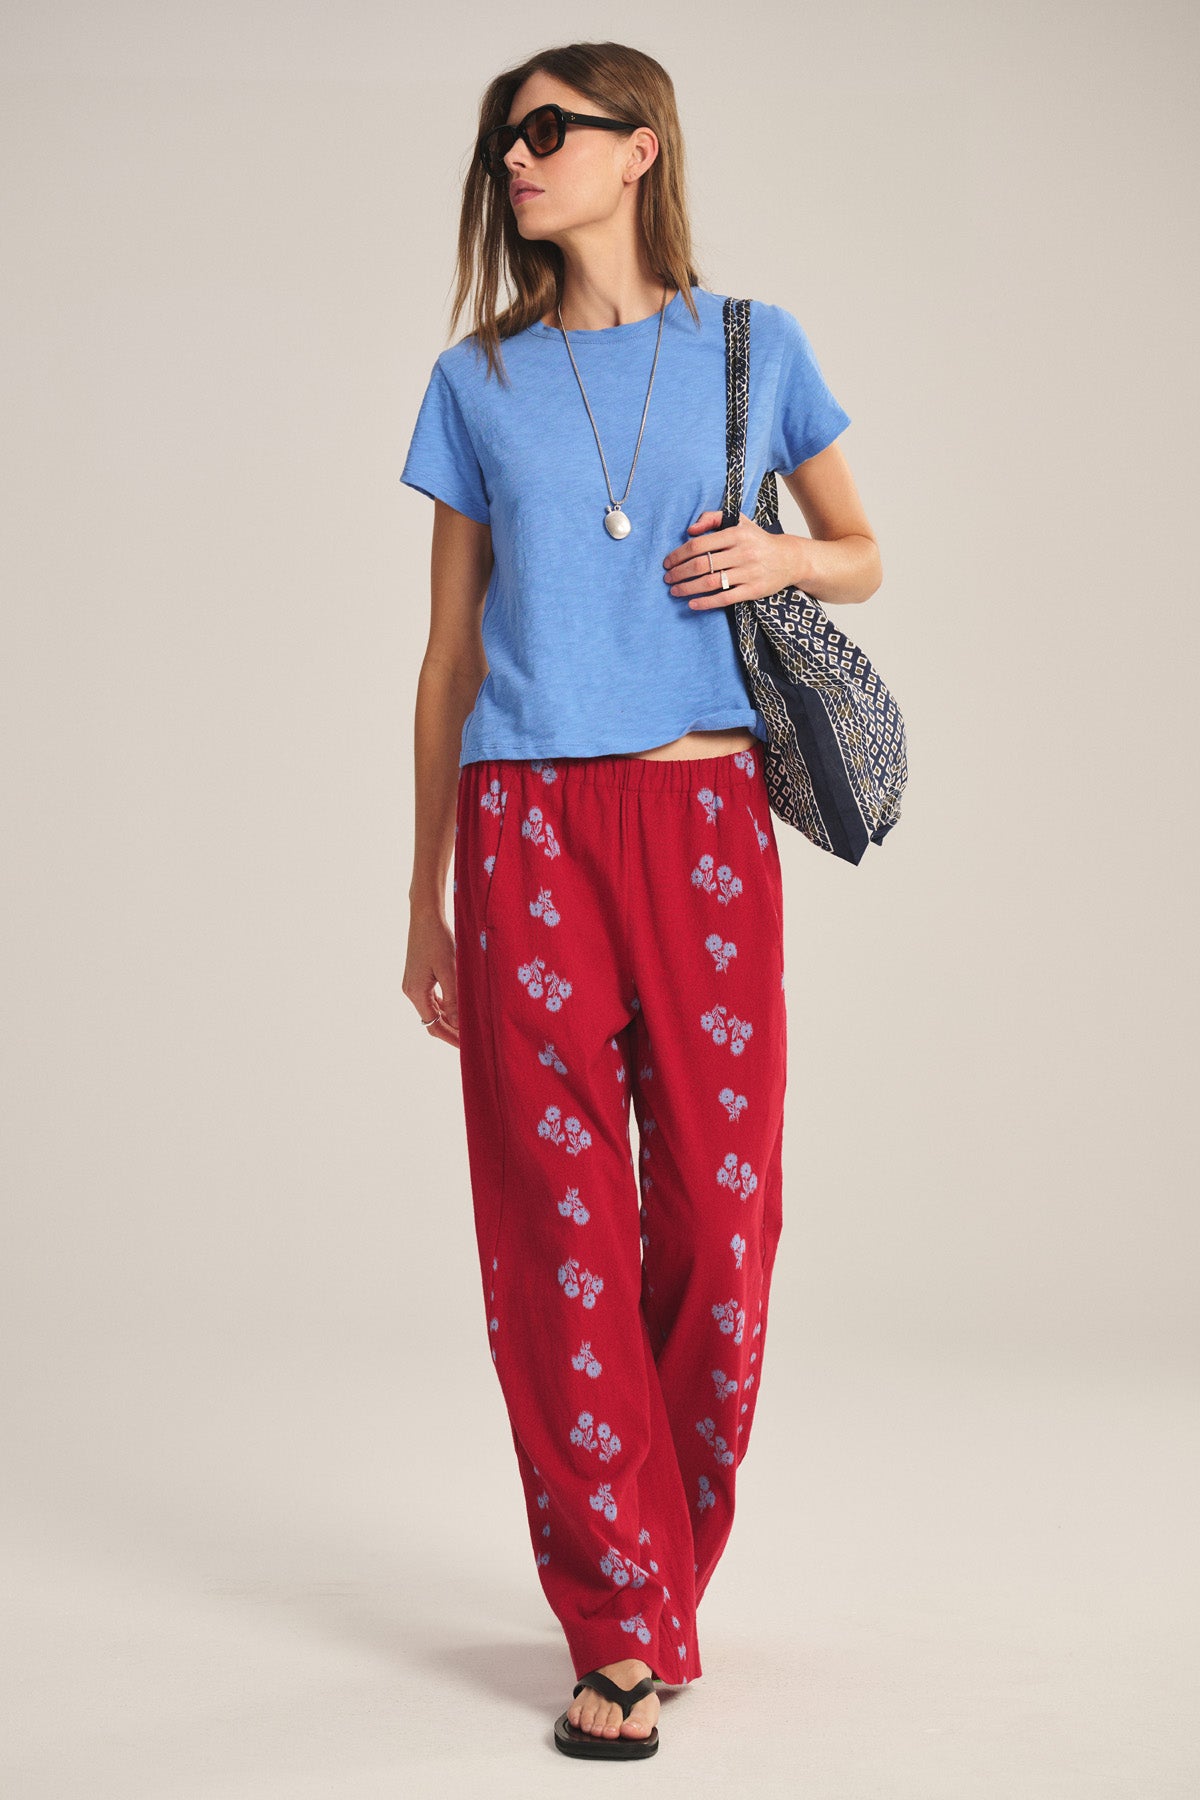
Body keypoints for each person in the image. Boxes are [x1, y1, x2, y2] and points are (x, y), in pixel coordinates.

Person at [400, 40, 881, 1761]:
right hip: (523, 825)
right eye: (501, 140)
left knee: (717, 1235)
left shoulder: (752, 345)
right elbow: (451, 656)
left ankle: (659, 1562)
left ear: (637, 147)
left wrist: (783, 557)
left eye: (545, 131)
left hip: (701, 823)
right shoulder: (477, 381)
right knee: (554, 1229)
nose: (515, 160)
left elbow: (862, 545)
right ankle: (619, 1622)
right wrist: (424, 900)